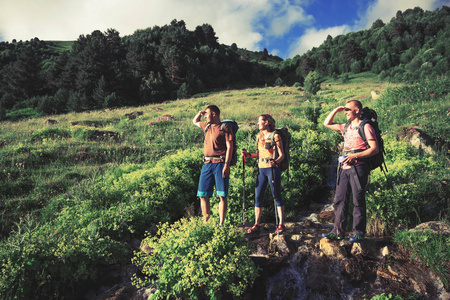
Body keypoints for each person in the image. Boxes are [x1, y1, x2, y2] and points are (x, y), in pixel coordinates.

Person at [322, 100, 379, 243]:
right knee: (340, 200)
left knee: (358, 200)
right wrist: (336, 109)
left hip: (359, 168)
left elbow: (374, 148)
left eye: (348, 109)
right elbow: (326, 123)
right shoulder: (345, 126)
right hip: (344, 168)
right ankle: (337, 232)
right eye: (345, 110)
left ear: (357, 110)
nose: (346, 112)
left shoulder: (365, 126)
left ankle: (358, 232)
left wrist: (355, 156)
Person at [242, 114, 285, 234]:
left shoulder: (275, 135)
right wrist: (248, 155)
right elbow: (259, 154)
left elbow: (282, 155)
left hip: (272, 169)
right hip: (261, 169)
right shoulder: (259, 136)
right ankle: (257, 223)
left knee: (276, 195)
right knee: (258, 196)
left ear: (266, 122)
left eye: (259, 121)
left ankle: (281, 224)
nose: (257, 124)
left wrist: (275, 162)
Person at [193, 105, 233, 225]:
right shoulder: (206, 126)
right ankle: (206, 222)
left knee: (221, 195)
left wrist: (227, 165)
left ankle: (221, 223)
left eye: (207, 113)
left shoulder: (225, 127)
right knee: (202, 194)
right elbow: (194, 121)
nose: (205, 116)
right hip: (207, 164)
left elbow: (229, 147)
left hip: (220, 163)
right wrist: (200, 113)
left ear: (214, 114)